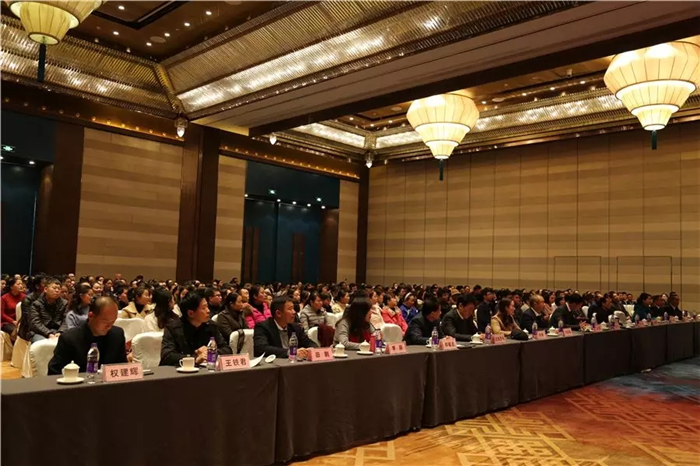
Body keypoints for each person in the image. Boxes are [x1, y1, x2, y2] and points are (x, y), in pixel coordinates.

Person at [47, 296, 127, 375]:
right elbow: (54, 373)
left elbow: (123, 369)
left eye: (112, 322)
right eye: (105, 322)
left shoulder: (117, 335)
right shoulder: (69, 339)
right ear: (91, 316)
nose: (109, 326)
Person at [160, 290, 232, 366]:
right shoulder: (173, 328)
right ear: (191, 313)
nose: (208, 311)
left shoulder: (211, 325)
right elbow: (167, 355)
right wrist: (194, 358)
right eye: (204, 308)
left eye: (207, 306)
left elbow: (227, 349)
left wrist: (210, 352)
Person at [20, 278, 68, 343]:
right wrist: (48, 333)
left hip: (57, 330)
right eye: (54, 288)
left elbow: (65, 320)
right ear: (45, 289)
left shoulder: (64, 303)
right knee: (43, 344)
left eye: (59, 289)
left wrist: (60, 332)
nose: (57, 290)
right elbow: (35, 323)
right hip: (39, 332)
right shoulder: (36, 304)